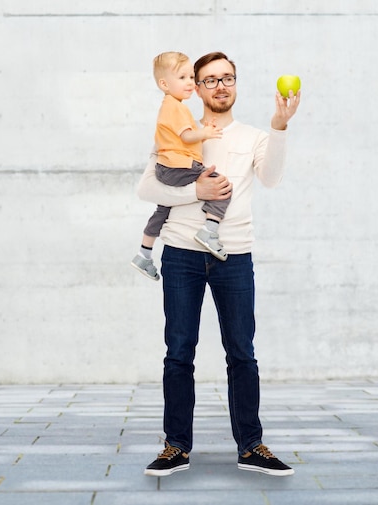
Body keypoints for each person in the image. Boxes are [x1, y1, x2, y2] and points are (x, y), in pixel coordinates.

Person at [136, 51, 301, 477]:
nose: (220, 85)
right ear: (196, 85)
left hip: (234, 256)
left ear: (236, 84)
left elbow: (272, 178)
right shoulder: (181, 128)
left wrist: (279, 127)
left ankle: (251, 446)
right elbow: (146, 187)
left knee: (242, 353)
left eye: (227, 77)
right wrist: (198, 193)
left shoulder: (252, 136)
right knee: (178, 353)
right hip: (181, 255)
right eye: (209, 80)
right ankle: (176, 447)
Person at [131, 51, 229, 282]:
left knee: (163, 208)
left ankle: (144, 253)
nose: (190, 82)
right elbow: (186, 137)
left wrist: (203, 132)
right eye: (183, 77)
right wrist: (205, 132)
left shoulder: (170, 106)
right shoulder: (175, 107)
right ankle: (209, 231)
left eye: (191, 77)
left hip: (166, 167)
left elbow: (182, 137)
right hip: (179, 165)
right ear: (164, 84)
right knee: (221, 187)